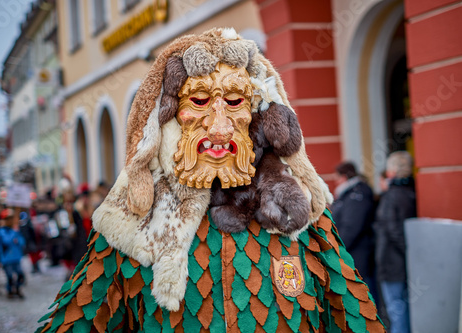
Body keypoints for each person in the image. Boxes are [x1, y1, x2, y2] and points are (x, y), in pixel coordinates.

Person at [38, 28, 385, 332]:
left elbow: (353, 314)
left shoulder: (304, 214)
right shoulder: (129, 223)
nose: (219, 128)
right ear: (170, 116)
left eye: (234, 102)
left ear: (257, 116)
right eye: (200, 101)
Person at [375, 151, 416, 333]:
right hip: (404, 261)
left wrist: (406, 251)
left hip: (391, 262)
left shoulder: (391, 196)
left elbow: (393, 230)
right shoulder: (411, 191)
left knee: (395, 309)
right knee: (403, 308)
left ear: (392, 172)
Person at [331, 162, 377, 300]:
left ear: (344, 177)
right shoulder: (349, 194)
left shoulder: (357, 195)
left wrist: (337, 249)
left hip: (358, 254)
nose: (335, 181)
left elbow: (351, 227)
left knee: (363, 296)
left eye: (337, 177)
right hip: (351, 254)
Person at [0, 208, 26, 298]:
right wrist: (14, 233)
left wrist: (17, 238)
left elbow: (22, 242)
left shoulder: (15, 230)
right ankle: (9, 291)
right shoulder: (1, 231)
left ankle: (18, 289)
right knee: (10, 276)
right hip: (6, 258)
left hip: (16, 256)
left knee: (20, 274)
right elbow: (6, 241)